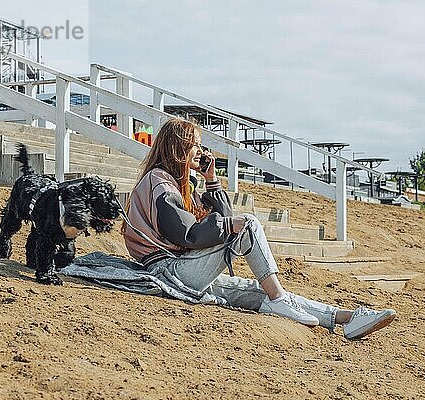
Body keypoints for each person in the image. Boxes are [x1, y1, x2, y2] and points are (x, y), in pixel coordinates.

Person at [123, 118, 396, 339]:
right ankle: (279, 298)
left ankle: (345, 318)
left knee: (257, 291)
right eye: (195, 145)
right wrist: (231, 225)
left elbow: (222, 220)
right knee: (250, 224)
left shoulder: (178, 184)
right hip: (170, 272)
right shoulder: (160, 182)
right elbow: (189, 235)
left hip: (184, 269)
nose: (202, 152)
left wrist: (212, 181)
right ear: (177, 147)